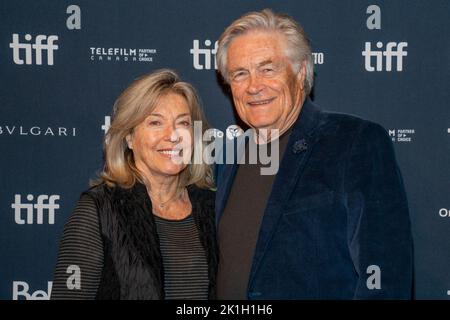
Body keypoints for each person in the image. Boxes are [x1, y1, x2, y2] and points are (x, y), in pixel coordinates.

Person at [214, 9, 413, 299]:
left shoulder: (355, 142)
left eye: (268, 69)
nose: (253, 86)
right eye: (240, 74)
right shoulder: (227, 159)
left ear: (302, 71)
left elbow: (385, 282)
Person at [51, 69, 217, 299]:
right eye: (156, 122)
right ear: (129, 137)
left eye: (183, 123)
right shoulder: (98, 210)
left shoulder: (212, 207)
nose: (173, 135)